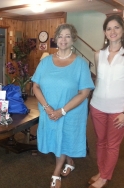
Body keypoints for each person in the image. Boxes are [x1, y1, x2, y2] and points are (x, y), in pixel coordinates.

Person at [31, 24, 94, 188]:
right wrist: (47, 107)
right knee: (56, 140)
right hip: (48, 111)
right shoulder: (45, 62)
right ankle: (69, 160)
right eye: (60, 36)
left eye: (67, 36)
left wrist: (62, 110)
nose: (63, 39)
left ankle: (56, 172)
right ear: (56, 39)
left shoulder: (80, 64)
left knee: (64, 138)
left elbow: (84, 92)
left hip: (70, 112)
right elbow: (35, 86)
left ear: (73, 39)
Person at [88, 15, 124, 188]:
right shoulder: (98, 54)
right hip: (97, 106)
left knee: (112, 145)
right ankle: (101, 171)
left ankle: (104, 177)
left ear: (123, 30)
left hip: (119, 110)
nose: (113, 31)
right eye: (109, 28)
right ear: (104, 32)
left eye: (116, 27)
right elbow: (99, 81)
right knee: (100, 142)